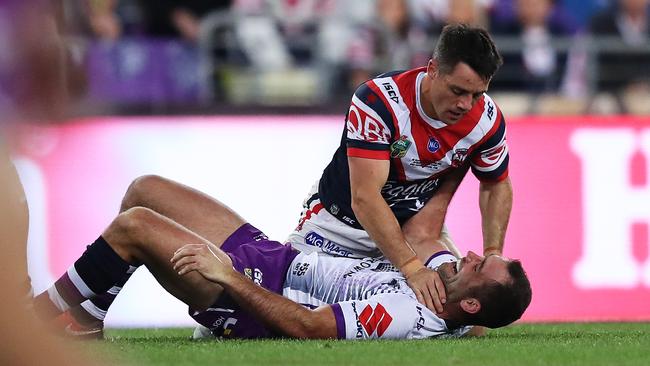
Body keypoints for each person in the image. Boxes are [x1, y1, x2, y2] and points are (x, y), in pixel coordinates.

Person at [32, 177, 532, 339]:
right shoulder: (451, 297)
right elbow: (480, 315)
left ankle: (31, 316)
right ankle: (89, 322)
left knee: (134, 226)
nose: (469, 255)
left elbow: (312, 326)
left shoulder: (409, 315)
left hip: (249, 294)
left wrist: (227, 277)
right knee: (145, 189)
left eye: (478, 265)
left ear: (468, 302)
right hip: (275, 256)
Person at [287, 23, 513, 314]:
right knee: (281, 312)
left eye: (477, 94)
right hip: (338, 229)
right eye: (458, 90)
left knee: (470, 318)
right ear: (432, 69)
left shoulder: (487, 119)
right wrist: (411, 268)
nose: (465, 104)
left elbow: (496, 183)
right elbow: (365, 198)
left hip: (416, 233)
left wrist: (493, 253)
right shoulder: (379, 102)